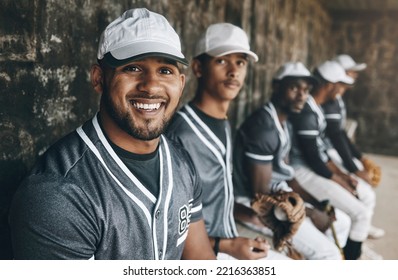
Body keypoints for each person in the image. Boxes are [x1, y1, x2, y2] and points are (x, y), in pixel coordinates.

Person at [9, 8, 215, 260]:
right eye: (133, 68)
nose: (151, 86)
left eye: (165, 71)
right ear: (99, 79)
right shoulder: (56, 194)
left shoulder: (181, 162)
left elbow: (201, 262)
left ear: (181, 84)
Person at [166, 23, 289, 260]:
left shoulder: (222, 120)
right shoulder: (182, 134)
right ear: (198, 68)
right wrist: (227, 246)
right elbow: (171, 230)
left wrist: (258, 216)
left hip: (228, 234)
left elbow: (215, 197)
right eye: (222, 61)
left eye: (240, 62)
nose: (233, 71)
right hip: (203, 250)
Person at [232, 61, 350, 260]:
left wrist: (316, 204)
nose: (302, 95)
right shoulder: (263, 128)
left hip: (281, 198)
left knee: (341, 221)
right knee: (328, 254)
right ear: (276, 87)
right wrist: (310, 213)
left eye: (306, 89)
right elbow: (261, 198)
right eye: (294, 88)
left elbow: (288, 178)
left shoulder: (285, 121)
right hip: (253, 205)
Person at [288, 60, 378, 260]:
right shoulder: (307, 111)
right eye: (340, 84)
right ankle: (352, 258)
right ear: (329, 85)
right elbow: (313, 159)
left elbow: (322, 154)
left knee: (358, 210)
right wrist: (340, 179)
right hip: (303, 171)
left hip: (314, 168)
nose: (343, 88)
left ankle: (352, 251)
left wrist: (344, 175)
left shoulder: (316, 108)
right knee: (360, 213)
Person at [323, 54, 385, 240]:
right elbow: (336, 136)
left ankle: (361, 228)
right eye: (351, 71)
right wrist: (353, 167)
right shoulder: (331, 98)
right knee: (363, 190)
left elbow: (340, 133)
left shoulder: (337, 95)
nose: (355, 76)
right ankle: (359, 230)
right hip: (327, 151)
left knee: (363, 188)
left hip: (329, 151)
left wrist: (360, 157)